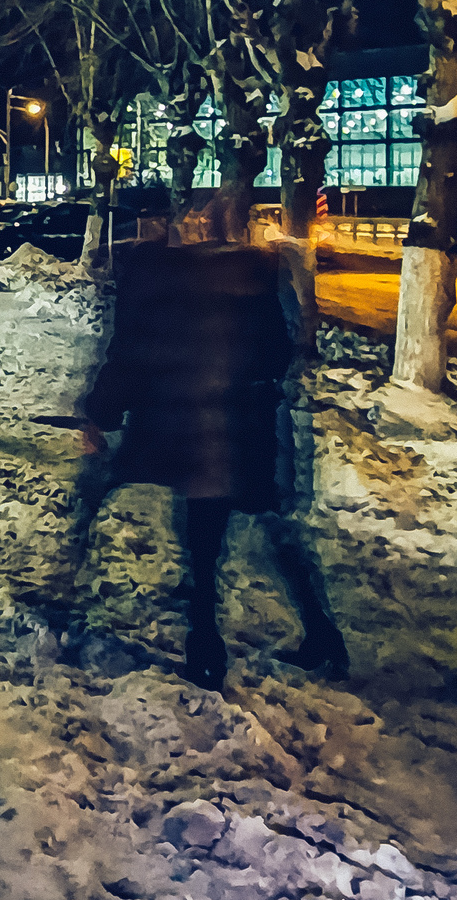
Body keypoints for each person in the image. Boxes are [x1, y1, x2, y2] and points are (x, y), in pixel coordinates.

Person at [79, 210, 348, 690]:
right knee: (267, 527)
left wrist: (102, 412)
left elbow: (132, 354)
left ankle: (206, 651)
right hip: (249, 429)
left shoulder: (156, 282)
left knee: (202, 549)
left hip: (193, 430)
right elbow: (278, 353)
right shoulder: (251, 279)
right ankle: (321, 631)